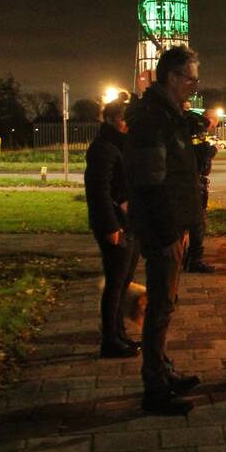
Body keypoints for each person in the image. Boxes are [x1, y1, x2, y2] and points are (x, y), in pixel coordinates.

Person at [124, 46, 203, 415]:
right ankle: (154, 388)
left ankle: (162, 369)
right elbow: (153, 183)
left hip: (171, 224)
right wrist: (170, 233)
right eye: (191, 79)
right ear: (172, 77)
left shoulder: (169, 116)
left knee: (166, 303)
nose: (194, 86)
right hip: (162, 228)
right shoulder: (154, 119)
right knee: (160, 305)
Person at [85, 94, 140, 359]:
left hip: (128, 222)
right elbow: (98, 191)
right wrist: (110, 225)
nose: (126, 124)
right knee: (115, 283)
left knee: (124, 281)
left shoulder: (120, 144)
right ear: (109, 119)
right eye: (122, 120)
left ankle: (119, 333)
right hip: (116, 224)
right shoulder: (104, 148)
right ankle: (110, 338)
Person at [184, 107, 218, 273]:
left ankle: (186, 256)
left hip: (191, 181)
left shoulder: (187, 127)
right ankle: (194, 260)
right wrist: (212, 150)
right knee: (197, 223)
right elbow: (199, 155)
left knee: (190, 223)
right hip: (193, 183)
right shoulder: (196, 129)